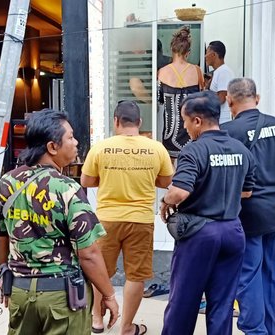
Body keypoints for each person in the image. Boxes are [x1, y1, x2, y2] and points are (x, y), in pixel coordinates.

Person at [0, 109, 119, 334]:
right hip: (62, 298)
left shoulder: (6, 183)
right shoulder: (68, 189)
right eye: (70, 137)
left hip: (20, 292)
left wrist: (4, 272)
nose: (76, 142)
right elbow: (88, 254)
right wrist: (108, 295)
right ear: (52, 147)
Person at [159, 91, 255, 335]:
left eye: (185, 121)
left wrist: (165, 201)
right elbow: (246, 193)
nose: (184, 127)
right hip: (233, 232)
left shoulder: (194, 150)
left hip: (200, 234)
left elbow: (179, 192)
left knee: (183, 303)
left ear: (198, 121)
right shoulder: (240, 150)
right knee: (222, 304)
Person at [81, 100, 174, 335]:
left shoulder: (101, 148)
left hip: (106, 220)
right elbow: (166, 182)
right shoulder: (156, 148)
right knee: (136, 275)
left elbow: (86, 181)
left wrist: (110, 178)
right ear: (139, 122)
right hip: (141, 220)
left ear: (116, 121)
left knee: (100, 271)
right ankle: (126, 328)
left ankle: (97, 320)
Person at [221, 78, 275, 334]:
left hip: (249, 214)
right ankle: (273, 331)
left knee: (248, 276)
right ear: (258, 98)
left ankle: (255, 331)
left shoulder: (227, 132)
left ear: (229, 101)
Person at [158, 25, 204, 158]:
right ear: (188, 52)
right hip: (193, 132)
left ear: (172, 50)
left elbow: (159, 100)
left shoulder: (162, 72)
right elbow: (202, 98)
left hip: (170, 134)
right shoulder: (197, 71)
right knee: (193, 167)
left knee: (170, 170)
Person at [205, 41, 235, 124]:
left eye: (207, 53)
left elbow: (222, 98)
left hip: (222, 122)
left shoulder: (223, 72)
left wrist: (204, 101)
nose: (205, 56)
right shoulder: (218, 71)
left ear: (214, 55)